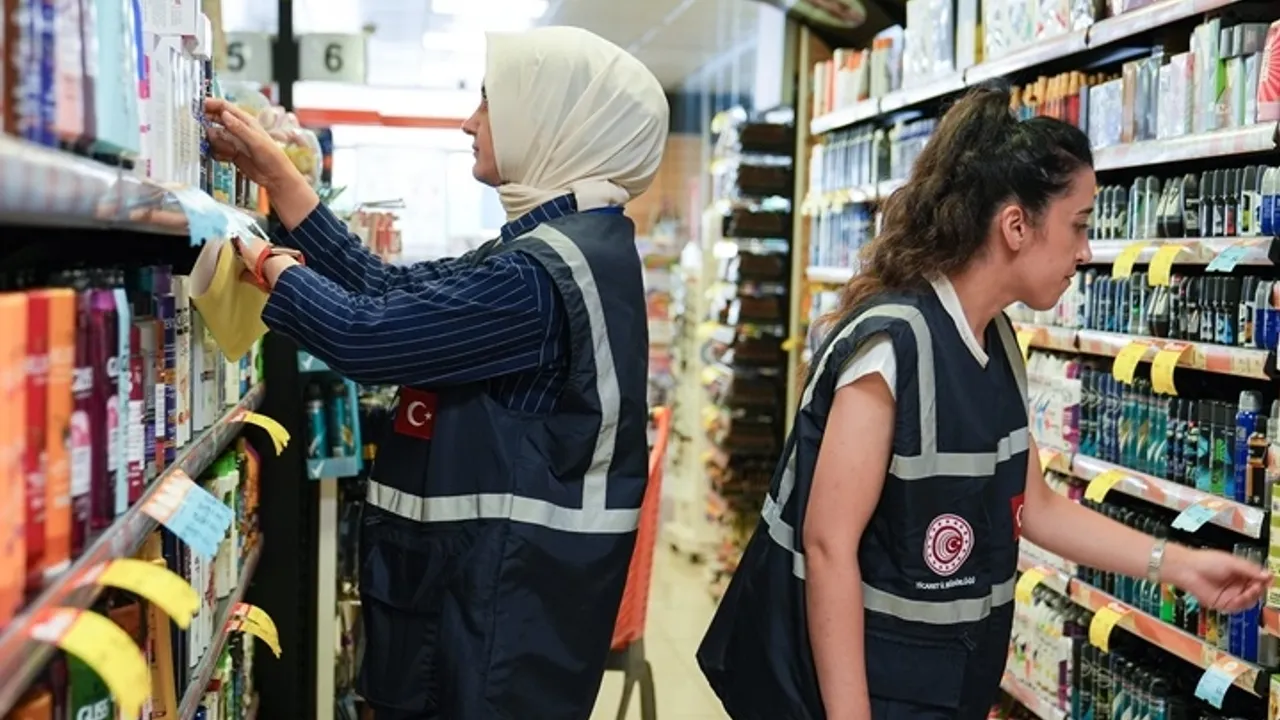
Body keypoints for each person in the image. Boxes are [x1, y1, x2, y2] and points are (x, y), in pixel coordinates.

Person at [696, 85, 1271, 720]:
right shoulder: (892, 348)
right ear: (1016, 226)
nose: (1086, 251)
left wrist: (1179, 565)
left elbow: (1037, 508)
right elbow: (828, 544)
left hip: (946, 691)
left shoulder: (996, 341)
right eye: (1078, 225)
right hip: (868, 695)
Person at [204, 26, 669, 719]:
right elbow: (389, 290)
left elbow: (369, 336)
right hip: (494, 604)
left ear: (551, 118)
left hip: (490, 619)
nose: (469, 122)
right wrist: (281, 181)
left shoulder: (542, 276)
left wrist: (269, 265)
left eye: (488, 102)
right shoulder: (564, 246)